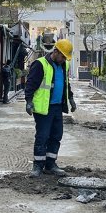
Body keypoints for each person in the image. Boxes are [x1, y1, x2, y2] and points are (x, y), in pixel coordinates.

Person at [25, 39, 77, 178]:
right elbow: (30, 84)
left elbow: (66, 84)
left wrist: (70, 98)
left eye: (66, 57)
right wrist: (29, 101)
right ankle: (37, 165)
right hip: (43, 108)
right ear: (55, 51)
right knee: (42, 137)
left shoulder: (64, 65)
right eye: (63, 56)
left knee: (56, 136)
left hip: (57, 107)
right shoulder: (40, 64)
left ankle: (50, 164)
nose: (64, 59)